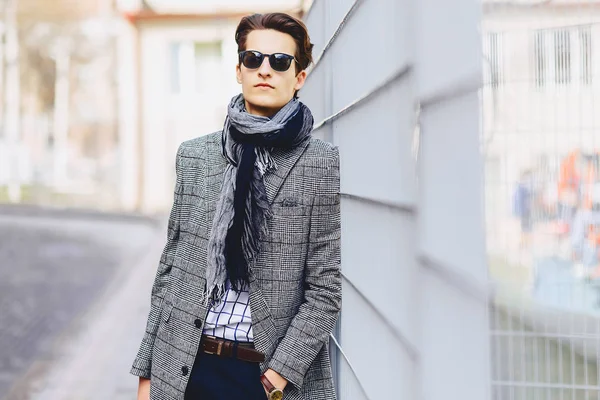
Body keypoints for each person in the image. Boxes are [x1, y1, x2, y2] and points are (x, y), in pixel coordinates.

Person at [130, 12, 342, 400]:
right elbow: (170, 272)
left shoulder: (319, 163)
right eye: (253, 59)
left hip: (263, 376)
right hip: (185, 368)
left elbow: (325, 291)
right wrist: (147, 376)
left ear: (299, 79)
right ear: (239, 70)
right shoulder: (195, 156)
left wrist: (274, 379)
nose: (265, 69)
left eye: (280, 62)